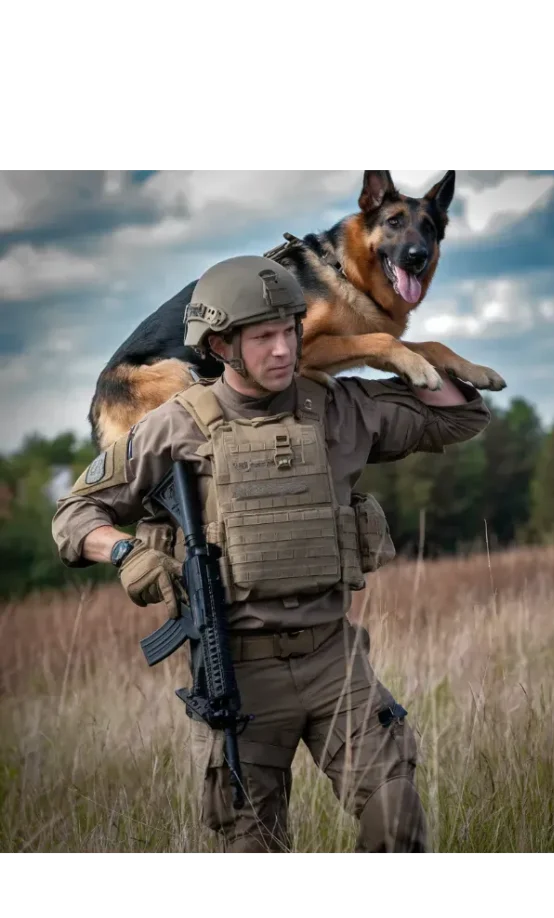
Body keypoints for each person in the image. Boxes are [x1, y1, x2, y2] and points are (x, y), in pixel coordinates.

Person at [52, 255, 491, 855]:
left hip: (334, 663)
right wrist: (125, 549)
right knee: (253, 844)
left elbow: (461, 415)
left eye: (290, 331)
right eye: (263, 337)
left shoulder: (335, 406)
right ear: (219, 346)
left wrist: (410, 353)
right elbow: (75, 514)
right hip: (240, 674)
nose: (284, 350)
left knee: (397, 821)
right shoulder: (175, 425)